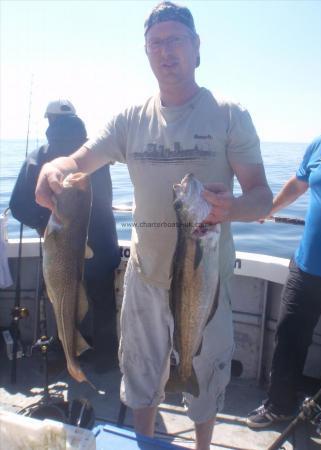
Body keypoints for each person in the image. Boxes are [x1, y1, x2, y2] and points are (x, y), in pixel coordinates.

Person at [35, 3, 272, 449]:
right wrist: (56, 165)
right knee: (141, 373)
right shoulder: (130, 119)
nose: (166, 51)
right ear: (146, 53)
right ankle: (145, 443)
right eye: (156, 43)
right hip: (143, 278)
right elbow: (80, 160)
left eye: (176, 40)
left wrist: (230, 210)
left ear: (197, 48)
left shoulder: (228, 114)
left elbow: (261, 197)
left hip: (208, 279)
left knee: (205, 374)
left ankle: (202, 444)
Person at [10, 99, 121, 373]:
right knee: (102, 301)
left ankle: (64, 354)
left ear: (49, 121)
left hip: (61, 245)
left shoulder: (40, 157)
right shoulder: (96, 153)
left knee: (60, 297)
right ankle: (106, 358)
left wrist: (43, 224)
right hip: (102, 245)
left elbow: (18, 206)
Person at [246, 131, 321, 442]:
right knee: (288, 336)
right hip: (306, 264)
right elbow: (299, 184)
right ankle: (280, 405)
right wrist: (269, 208)